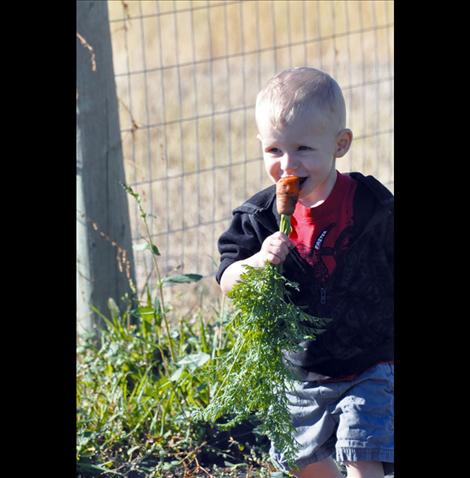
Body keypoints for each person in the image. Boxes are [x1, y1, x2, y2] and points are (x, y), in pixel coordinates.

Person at [215, 67, 394, 478]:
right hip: (298, 364)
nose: (287, 164)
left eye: (303, 149)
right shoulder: (258, 218)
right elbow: (227, 279)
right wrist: (258, 262)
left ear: (340, 144)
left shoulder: (369, 205)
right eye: (274, 150)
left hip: (370, 359)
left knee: (362, 451)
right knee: (303, 463)